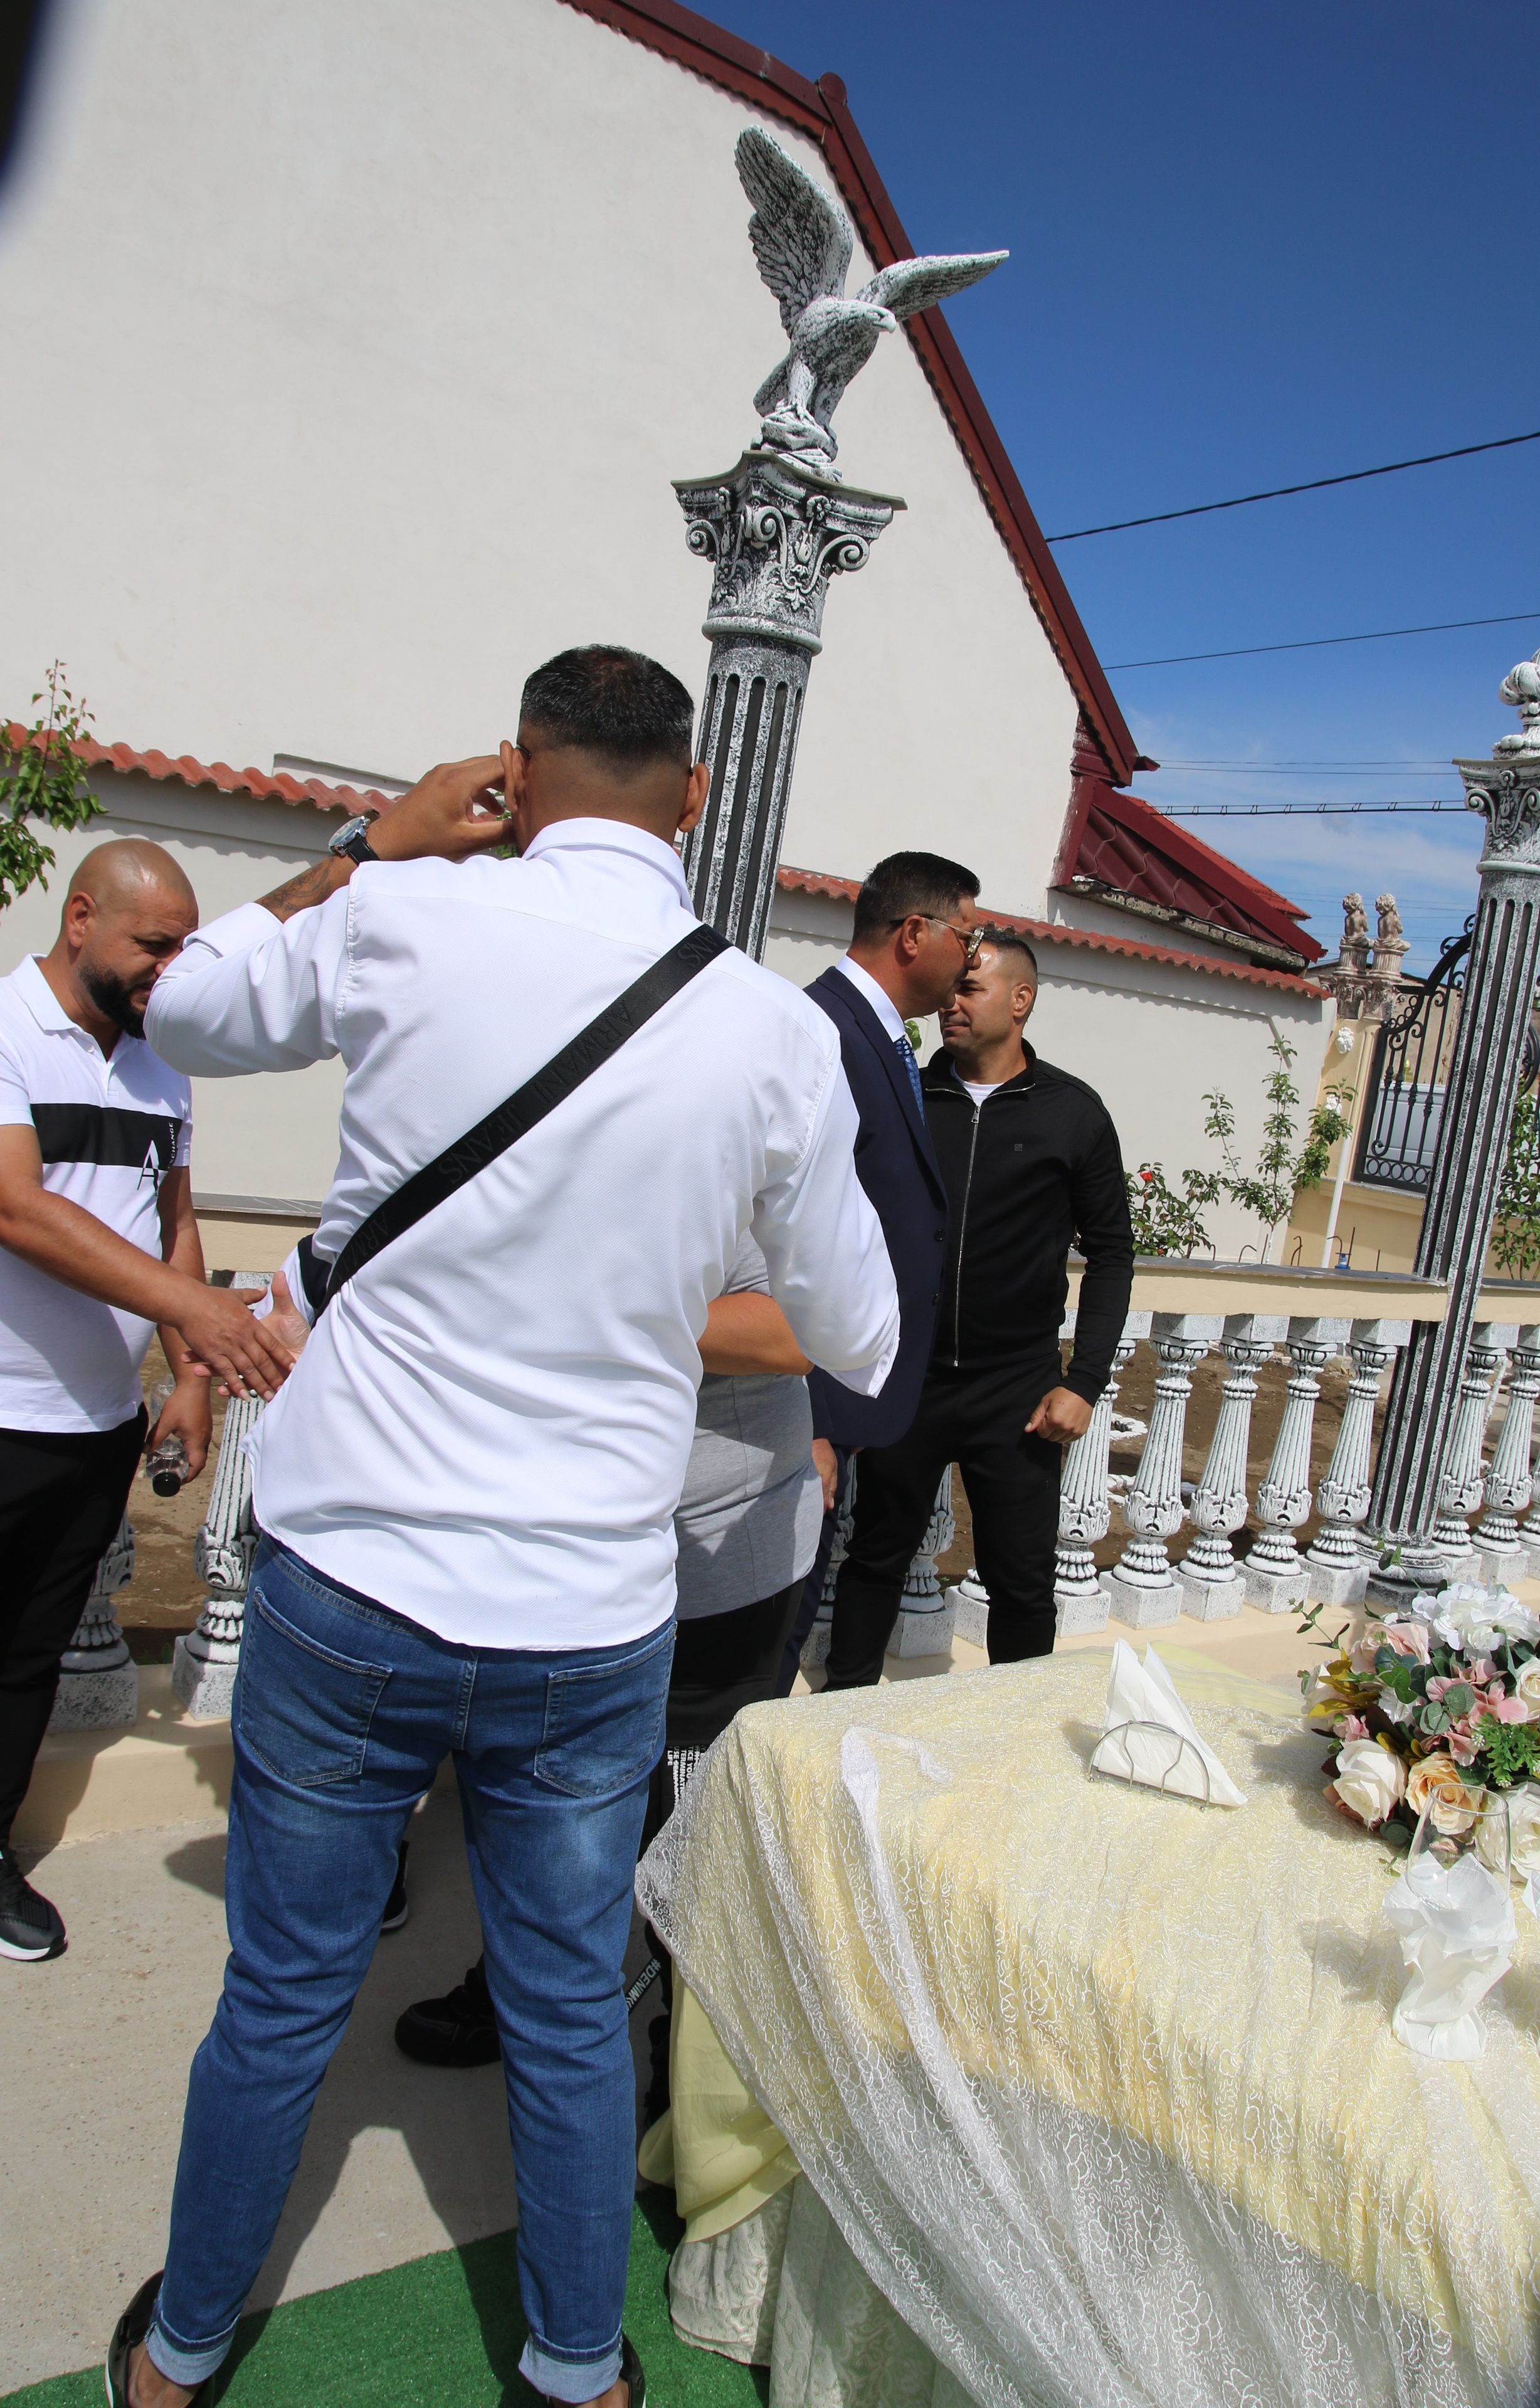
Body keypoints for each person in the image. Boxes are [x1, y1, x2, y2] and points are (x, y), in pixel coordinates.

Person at [107, 647, 899, 2408]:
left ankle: (177, 2357)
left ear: (517, 779)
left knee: (285, 1991)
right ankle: (571, 2364)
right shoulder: (769, 1029)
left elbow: (188, 1006)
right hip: (585, 1602)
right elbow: (862, 1336)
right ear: (693, 799)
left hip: (351, 1568)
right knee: (560, 1999)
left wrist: (366, 840)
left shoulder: (405, 915)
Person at [394, 1231, 821, 2073]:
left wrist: (567, 1304)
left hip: (714, 1550)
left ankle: (691, 2074)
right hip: (557, 1545)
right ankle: (520, 1988)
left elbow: (797, 1327)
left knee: (692, 1827)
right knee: (544, 1799)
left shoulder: (754, 1118)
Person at [0, 841, 291, 1964]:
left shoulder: (162, 1063)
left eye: (184, 946)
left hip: (91, 1427)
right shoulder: (12, 1030)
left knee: (30, 1656)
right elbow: (18, 1210)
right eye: (153, 945)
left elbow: (173, 1223)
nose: (171, 969)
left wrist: (190, 1374)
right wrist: (204, 1316)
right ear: (80, 918)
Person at [825, 931, 1134, 1689]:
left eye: (971, 990)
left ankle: (1014, 1741)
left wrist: (1083, 1381)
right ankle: (835, 1718)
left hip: (1019, 1390)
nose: (948, 1005)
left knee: (1021, 1581)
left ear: (1020, 1000)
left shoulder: (1074, 1113)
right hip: (910, 1376)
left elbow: (1113, 1255)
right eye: (951, 990)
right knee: (872, 1560)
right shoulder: (907, 1097)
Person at [773, 849, 983, 1694]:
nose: (972, 959)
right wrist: (811, 1421)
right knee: (766, 1638)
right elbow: (781, 1238)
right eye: (966, 935)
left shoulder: (883, 1039)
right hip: (801, 1405)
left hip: (842, 1398)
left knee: (783, 1631)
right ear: (914, 933)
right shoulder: (824, 1031)